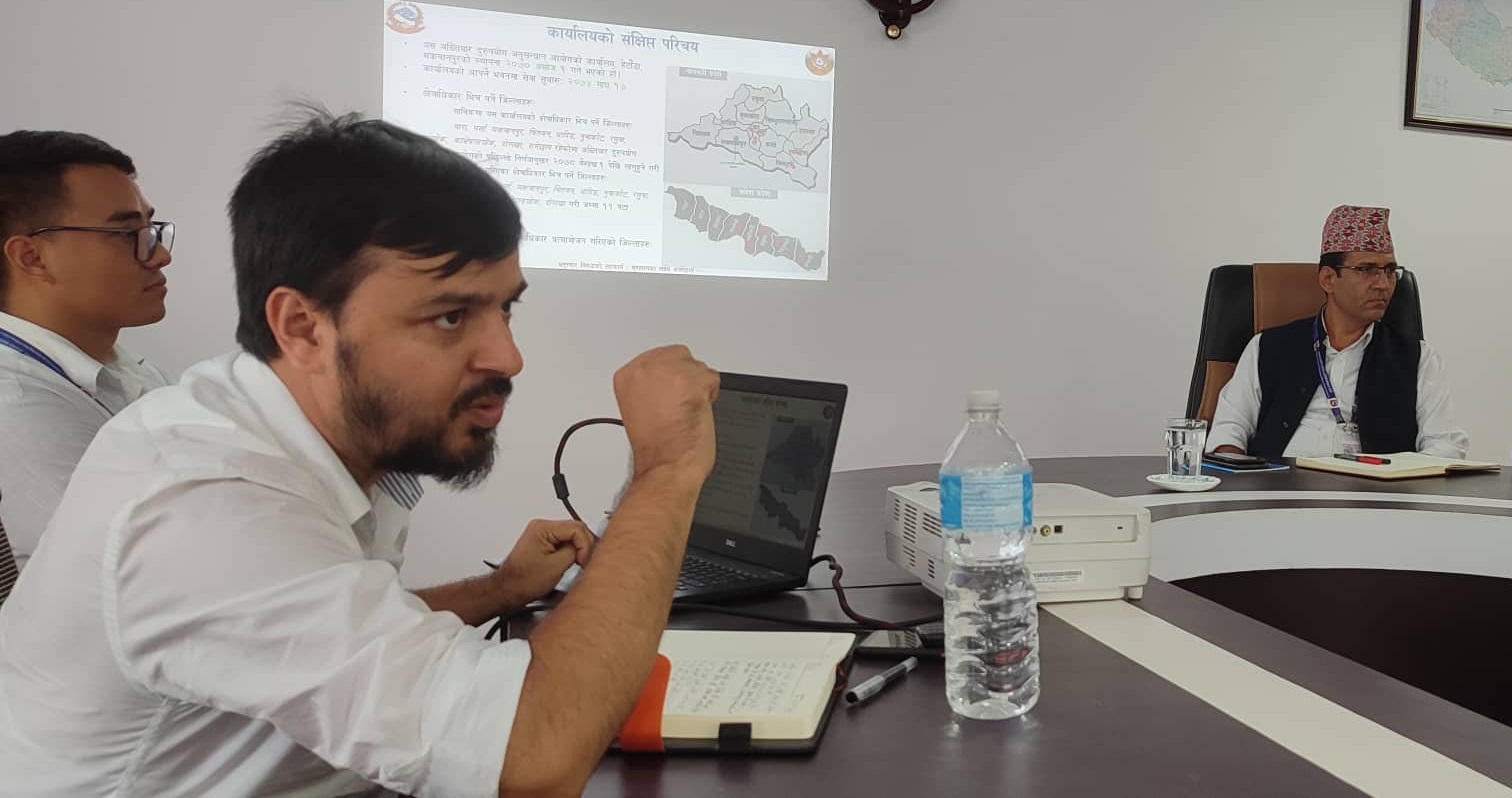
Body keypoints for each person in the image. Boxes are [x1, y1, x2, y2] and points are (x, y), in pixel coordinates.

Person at [0, 110, 719, 798]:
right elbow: (529, 758)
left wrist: (499, 591)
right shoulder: (200, 500)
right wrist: (667, 468)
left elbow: (314, 622)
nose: (508, 356)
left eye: (505, 307)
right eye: (450, 316)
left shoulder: (273, 422)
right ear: (302, 326)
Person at [0, 130, 174, 570]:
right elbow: (150, 571)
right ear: (32, 257)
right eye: (127, 233)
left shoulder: (125, 369)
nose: (159, 256)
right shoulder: (16, 407)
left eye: (150, 230)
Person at [1208, 204, 1467, 459]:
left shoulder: (1419, 358)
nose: (1383, 284)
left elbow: (1446, 444)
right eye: (1366, 270)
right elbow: (1228, 430)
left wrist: (1399, 472)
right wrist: (1242, 475)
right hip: (1279, 480)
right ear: (1328, 279)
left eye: (1389, 271)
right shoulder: (1266, 347)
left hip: (1375, 483)